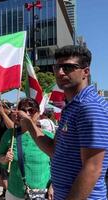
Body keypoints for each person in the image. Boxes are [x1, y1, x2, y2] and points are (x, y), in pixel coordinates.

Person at [18, 45, 108, 199]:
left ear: (85, 72)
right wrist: (29, 124)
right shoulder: (72, 106)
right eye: (57, 67)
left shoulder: (90, 106)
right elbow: (54, 150)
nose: (60, 72)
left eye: (68, 67)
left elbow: (92, 168)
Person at [0, 98, 53, 200]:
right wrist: (4, 159)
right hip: (15, 193)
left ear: (38, 113)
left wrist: (53, 186)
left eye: (31, 110)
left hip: (41, 194)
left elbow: (59, 164)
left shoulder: (48, 137)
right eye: (23, 110)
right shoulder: (10, 134)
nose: (27, 113)